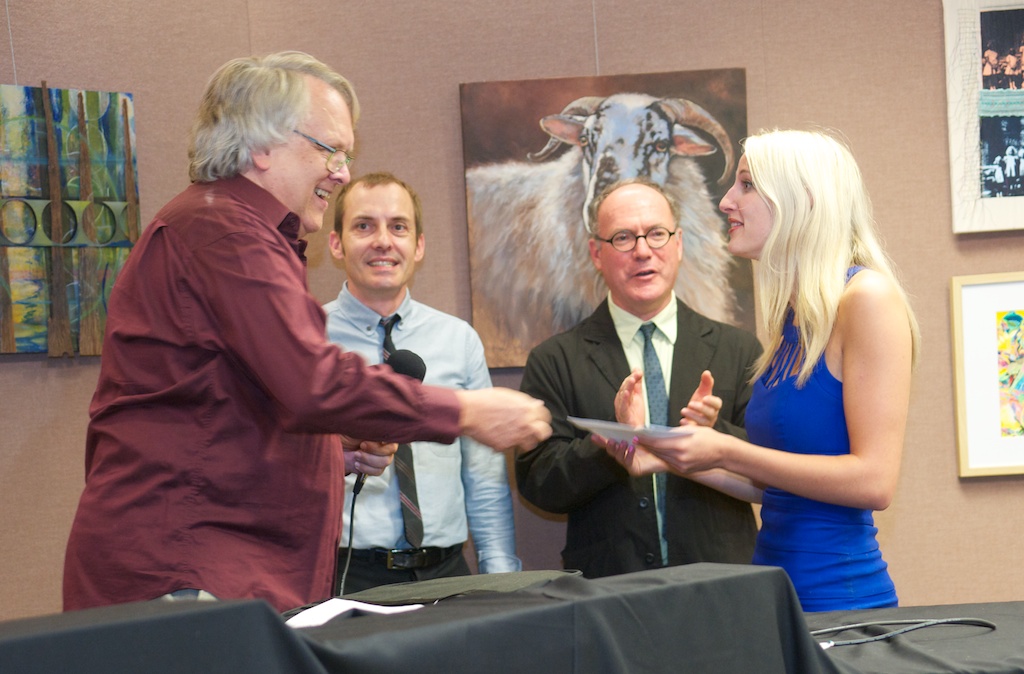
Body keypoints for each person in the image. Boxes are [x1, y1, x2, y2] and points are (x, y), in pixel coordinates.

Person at [62, 51, 550, 613]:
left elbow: (225, 412)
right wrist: (464, 410)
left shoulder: (231, 229)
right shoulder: (226, 233)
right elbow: (312, 383)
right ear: (262, 146)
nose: (342, 173)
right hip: (189, 570)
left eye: (346, 155)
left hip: (212, 569)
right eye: (330, 150)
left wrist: (328, 453)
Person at [601, 129, 920, 612]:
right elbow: (778, 489)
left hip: (842, 604)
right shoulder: (796, 318)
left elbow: (874, 482)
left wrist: (727, 448)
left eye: (746, 185)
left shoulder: (867, 299)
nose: (726, 201)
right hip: (777, 600)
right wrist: (665, 456)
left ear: (803, 200)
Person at [515, 177, 762, 579]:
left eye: (657, 234)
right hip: (610, 588)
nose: (643, 251)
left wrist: (714, 435)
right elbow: (537, 482)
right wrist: (609, 447)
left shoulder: (740, 350)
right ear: (597, 253)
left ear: (679, 244)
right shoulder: (555, 359)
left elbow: (773, 467)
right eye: (623, 238)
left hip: (721, 583)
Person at [323, 172, 521, 593]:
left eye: (398, 227)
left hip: (446, 573)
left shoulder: (458, 339)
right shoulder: (307, 341)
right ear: (336, 244)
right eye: (364, 226)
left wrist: (501, 579)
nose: (383, 241)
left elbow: (484, 473)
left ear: (419, 245)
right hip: (346, 576)